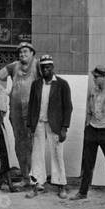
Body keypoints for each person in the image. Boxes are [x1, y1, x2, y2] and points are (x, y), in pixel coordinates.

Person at [72, 64, 105, 203]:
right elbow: (89, 111)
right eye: (94, 77)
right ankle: (82, 192)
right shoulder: (93, 92)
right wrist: (87, 126)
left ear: (104, 77)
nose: (94, 80)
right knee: (88, 163)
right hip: (92, 131)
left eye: (97, 77)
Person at [25, 55, 73, 199]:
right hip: (38, 123)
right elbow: (32, 106)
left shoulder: (62, 84)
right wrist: (29, 126)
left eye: (48, 67)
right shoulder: (36, 84)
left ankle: (61, 185)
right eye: (43, 67)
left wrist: (64, 128)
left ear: (52, 68)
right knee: (36, 155)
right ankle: (36, 184)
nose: (45, 70)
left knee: (57, 154)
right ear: (40, 69)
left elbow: (68, 107)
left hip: (55, 125)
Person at [0, 42, 40, 186]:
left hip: (32, 111)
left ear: (32, 53)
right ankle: (25, 177)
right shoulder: (13, 66)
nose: (22, 54)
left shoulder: (38, 65)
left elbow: (50, 81)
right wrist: (4, 91)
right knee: (20, 143)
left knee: (33, 143)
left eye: (25, 51)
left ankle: (36, 177)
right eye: (20, 52)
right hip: (16, 111)